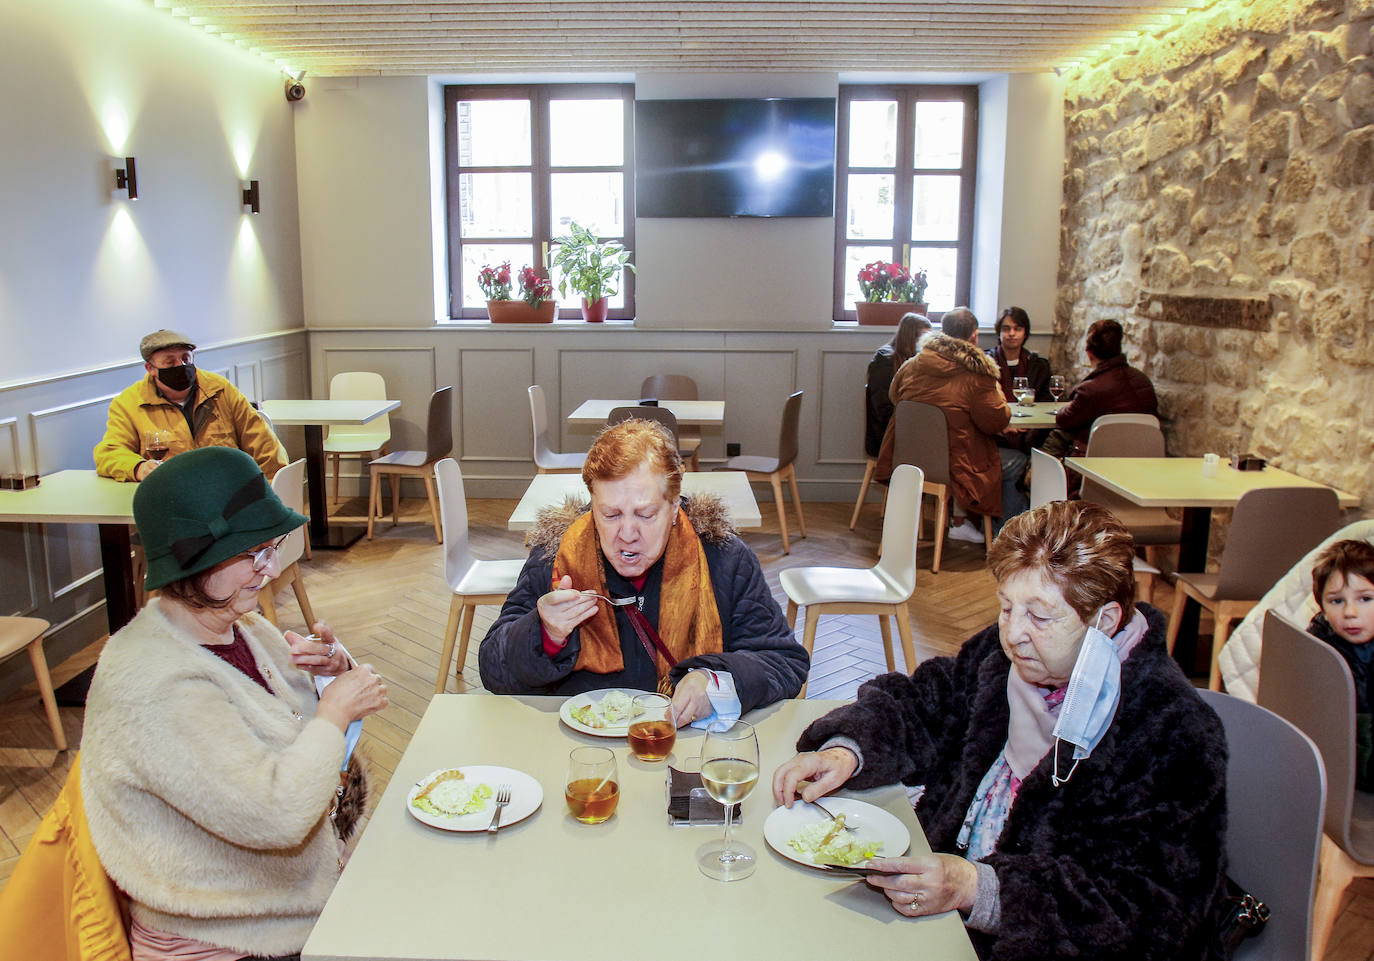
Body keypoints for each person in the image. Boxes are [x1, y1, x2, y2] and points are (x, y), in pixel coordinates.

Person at [772, 501, 1227, 960]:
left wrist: (979, 889)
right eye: (1007, 607)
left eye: (1040, 616)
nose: (1013, 634)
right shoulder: (1005, 656)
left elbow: (1150, 910)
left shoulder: (1172, 731)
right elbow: (928, 702)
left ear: (1104, 622)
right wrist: (848, 748)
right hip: (940, 908)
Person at [81, 446, 389, 960]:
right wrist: (335, 711)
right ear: (193, 559)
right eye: (254, 553)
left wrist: (326, 678)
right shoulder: (154, 685)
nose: (269, 568)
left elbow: (286, 731)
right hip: (233, 939)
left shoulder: (234, 625)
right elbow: (275, 815)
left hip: (287, 903)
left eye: (273, 547)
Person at [479, 418, 808, 724]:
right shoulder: (555, 557)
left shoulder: (724, 560)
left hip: (688, 751)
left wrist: (716, 681)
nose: (627, 534)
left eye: (645, 515)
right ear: (592, 506)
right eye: (610, 515)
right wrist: (545, 634)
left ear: (675, 505)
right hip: (581, 752)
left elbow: (784, 661)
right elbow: (493, 669)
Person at [875, 307, 1024, 541]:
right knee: (1017, 460)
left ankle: (961, 521)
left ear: (942, 332)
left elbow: (895, 398)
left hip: (908, 458)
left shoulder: (912, 364)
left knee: (961, 444)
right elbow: (996, 421)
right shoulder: (978, 374)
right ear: (974, 336)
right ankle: (1008, 535)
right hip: (956, 466)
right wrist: (997, 390)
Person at [94, 329, 286, 482]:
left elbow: (264, 445)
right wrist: (138, 467)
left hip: (229, 493)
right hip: (174, 499)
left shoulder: (220, 390)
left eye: (186, 358)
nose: (180, 365)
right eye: (170, 362)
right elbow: (109, 453)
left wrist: (271, 493)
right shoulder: (129, 403)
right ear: (150, 368)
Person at [1307, 539, 1374, 792]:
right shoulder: (1318, 649)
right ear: (1321, 606)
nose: (1350, 612)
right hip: (1338, 774)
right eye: (1337, 601)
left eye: (1365, 599)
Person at [1052, 319, 1158, 457]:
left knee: (1055, 438)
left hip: (1095, 464)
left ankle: (1034, 473)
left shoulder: (1090, 390)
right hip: (1142, 461)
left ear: (1089, 353)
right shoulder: (1143, 381)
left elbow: (1064, 420)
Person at [865, 313, 932, 459]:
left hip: (906, 426)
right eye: (923, 338)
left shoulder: (915, 361)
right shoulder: (885, 361)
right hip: (887, 432)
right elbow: (883, 407)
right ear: (911, 337)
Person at [987, 307, 1052, 406]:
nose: (1011, 333)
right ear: (998, 332)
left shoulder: (1039, 366)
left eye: (1017, 329)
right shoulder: (985, 362)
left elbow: (1046, 400)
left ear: (1025, 333)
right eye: (1006, 329)